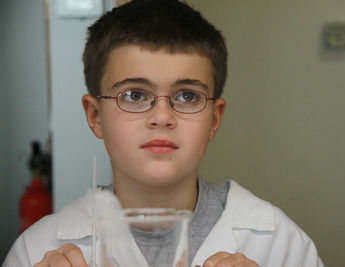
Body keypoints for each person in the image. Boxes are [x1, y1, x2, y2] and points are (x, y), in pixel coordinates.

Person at [3, 0, 324, 266]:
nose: (161, 117)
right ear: (95, 115)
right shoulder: (36, 250)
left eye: (187, 96)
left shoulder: (278, 244)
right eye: (134, 95)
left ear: (214, 119)